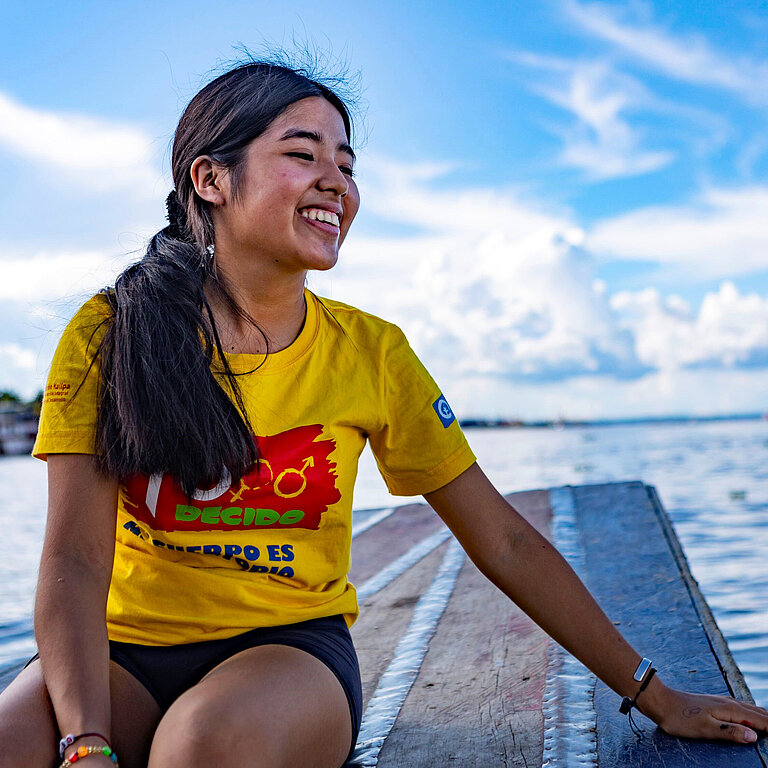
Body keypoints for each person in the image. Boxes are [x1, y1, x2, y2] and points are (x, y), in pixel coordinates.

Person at [0, 57, 766, 768]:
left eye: (347, 164)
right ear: (211, 179)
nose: (336, 181)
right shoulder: (112, 332)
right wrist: (87, 742)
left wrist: (655, 694)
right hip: (123, 651)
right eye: (303, 154)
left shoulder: (371, 352)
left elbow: (500, 539)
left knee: (201, 746)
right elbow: (73, 560)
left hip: (285, 654)